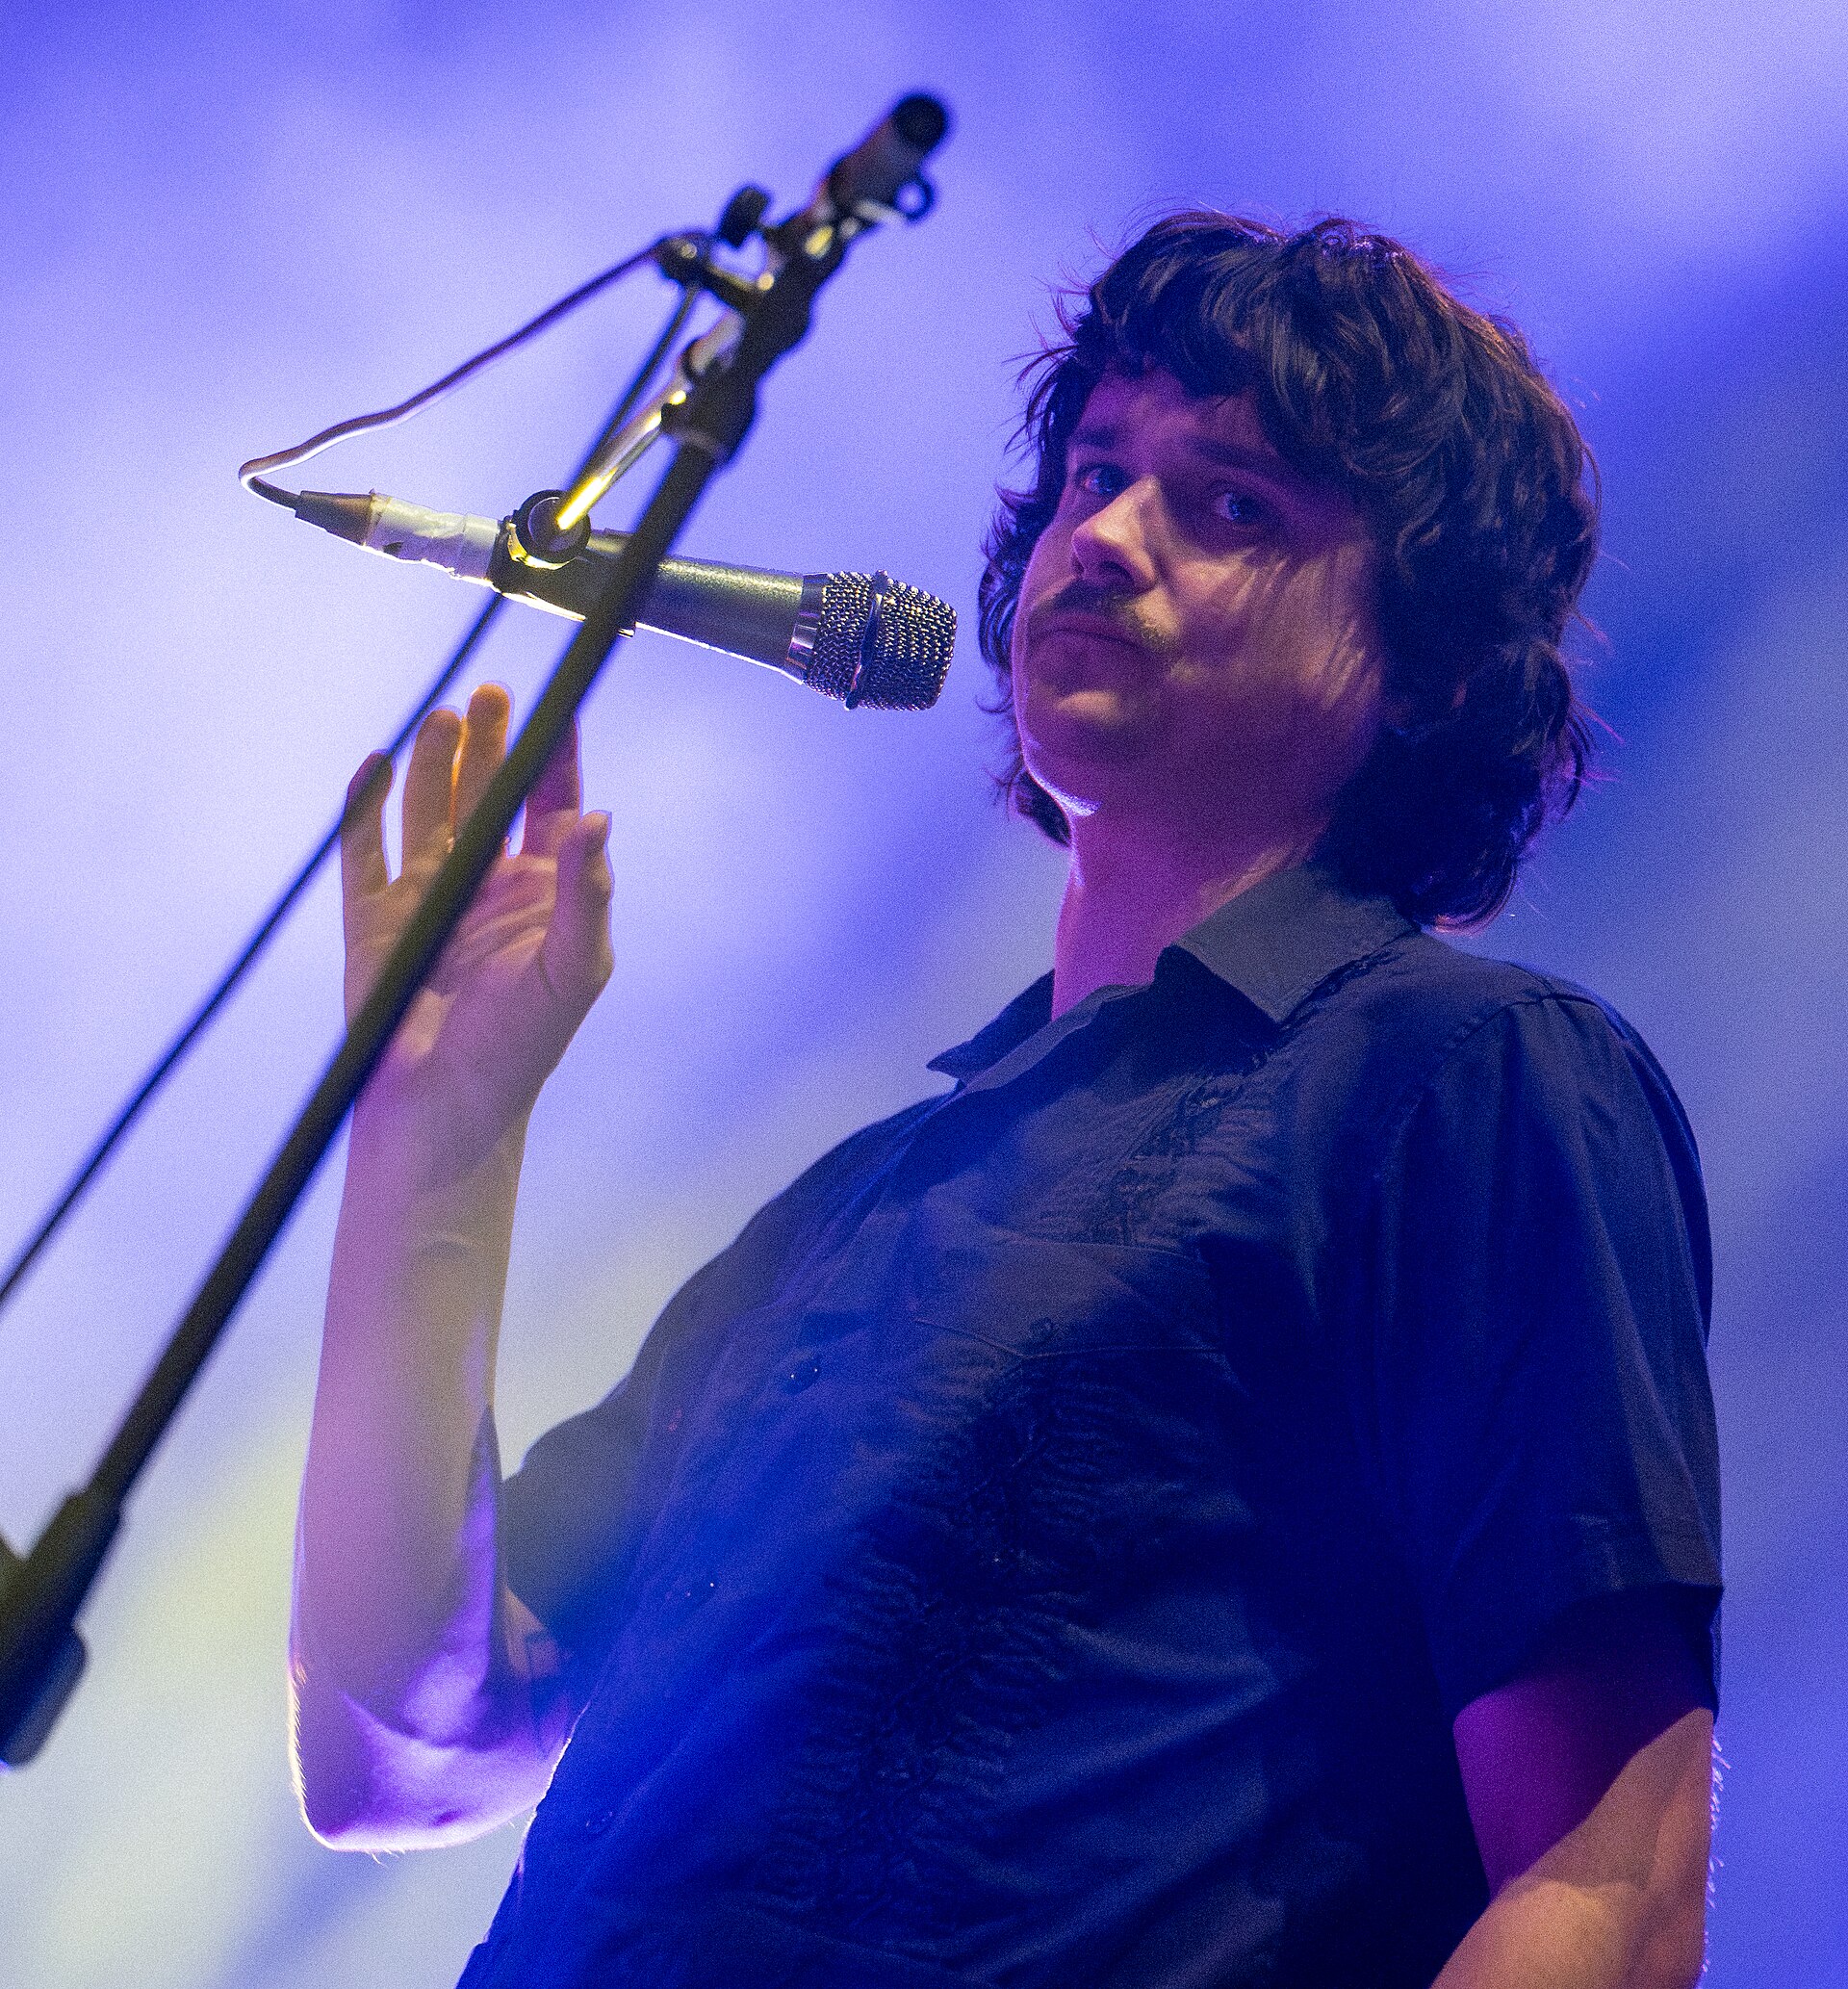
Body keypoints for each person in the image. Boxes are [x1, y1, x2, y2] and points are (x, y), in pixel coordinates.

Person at [292, 215, 1722, 1989]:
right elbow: (397, 1753)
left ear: (1424, 659)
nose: (1106, 535)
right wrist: (433, 1146)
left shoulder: (1466, 1082)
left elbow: (1609, 1880)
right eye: (1094, 472)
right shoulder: (849, 1214)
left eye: (1231, 505)